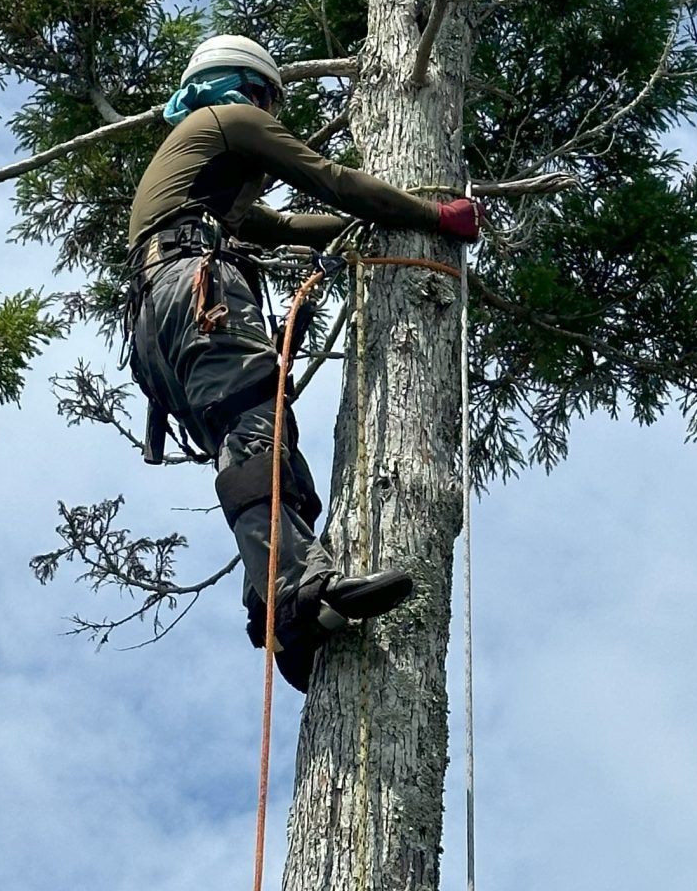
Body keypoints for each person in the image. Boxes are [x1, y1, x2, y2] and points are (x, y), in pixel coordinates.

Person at [127, 33, 480, 689]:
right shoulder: (232, 119)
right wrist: (434, 214)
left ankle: (283, 610)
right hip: (196, 287)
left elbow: (284, 228)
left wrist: (365, 234)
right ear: (251, 89)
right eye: (270, 103)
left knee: (258, 440)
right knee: (259, 433)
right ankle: (294, 587)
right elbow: (328, 180)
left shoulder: (196, 174)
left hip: (157, 322)